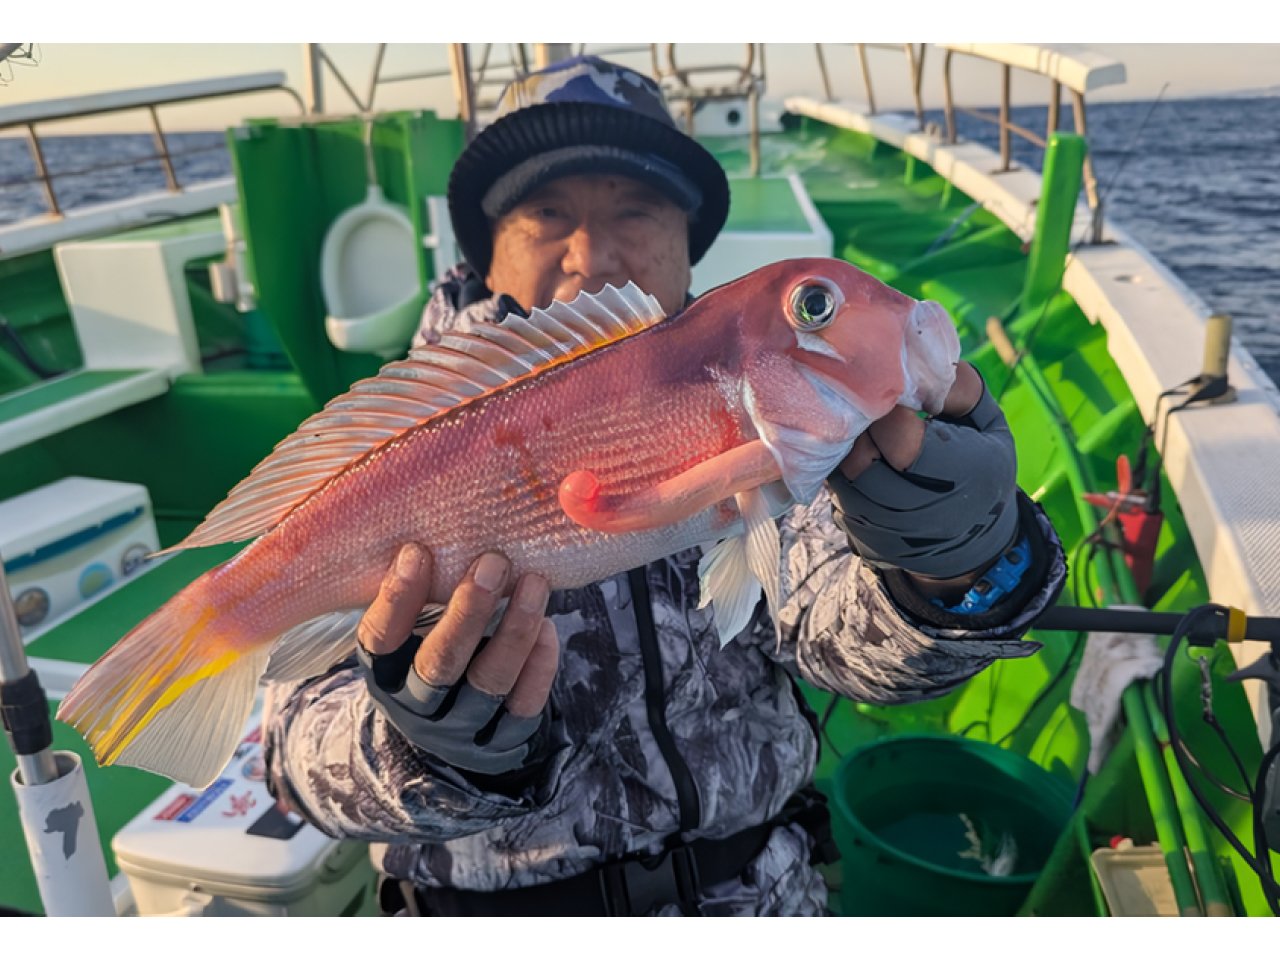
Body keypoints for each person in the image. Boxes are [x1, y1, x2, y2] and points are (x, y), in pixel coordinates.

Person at [262, 55, 1067, 917]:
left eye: (635, 210)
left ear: (690, 247)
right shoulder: (391, 451)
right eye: (547, 214)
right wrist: (430, 749)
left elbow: (850, 641)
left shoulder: (761, 398)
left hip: (761, 898)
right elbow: (288, 762)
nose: (591, 253)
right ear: (486, 252)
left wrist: (959, 565)